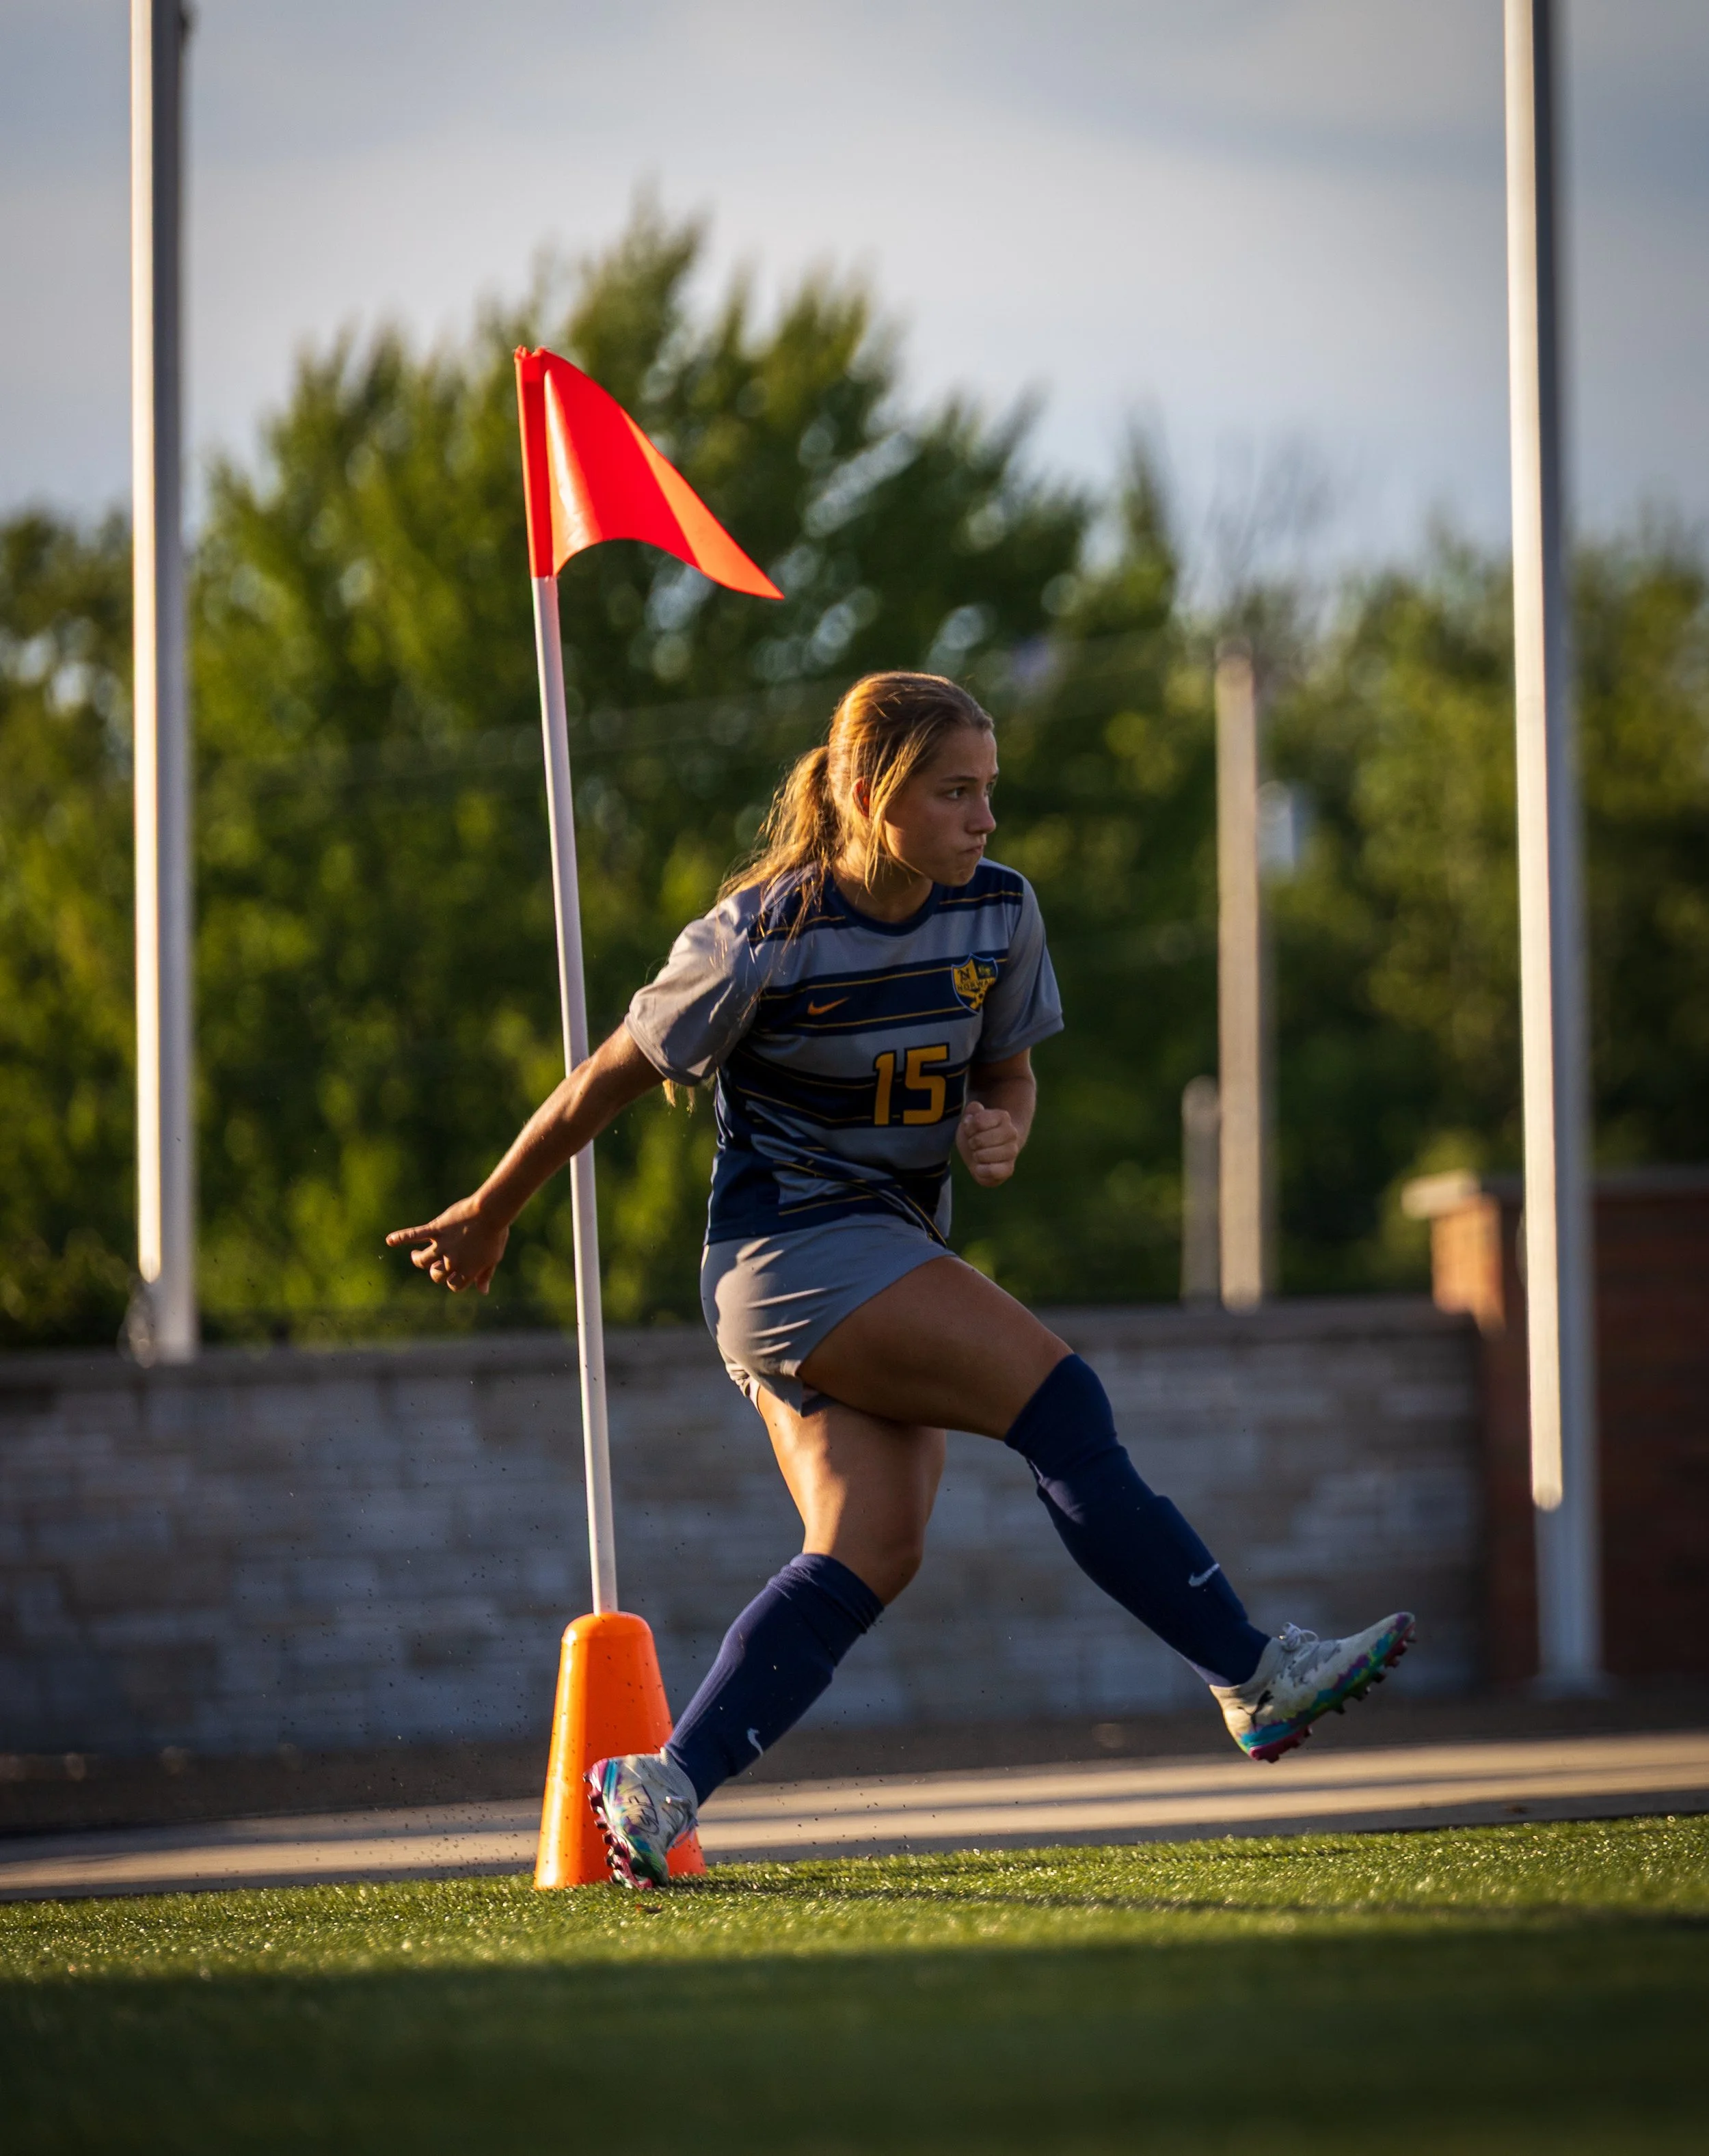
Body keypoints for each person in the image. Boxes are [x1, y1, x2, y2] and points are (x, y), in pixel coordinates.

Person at [388, 670, 1412, 1889]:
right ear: (874, 793)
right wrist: (491, 1208)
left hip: (884, 1249)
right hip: (787, 1258)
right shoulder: (763, 932)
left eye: (991, 791)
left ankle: (661, 1786)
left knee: (874, 1542)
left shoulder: (1001, 911)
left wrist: (1001, 1126)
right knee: (1061, 1402)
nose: (985, 818)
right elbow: (603, 1076)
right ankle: (1252, 1673)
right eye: (956, 791)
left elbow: (1009, 1076)